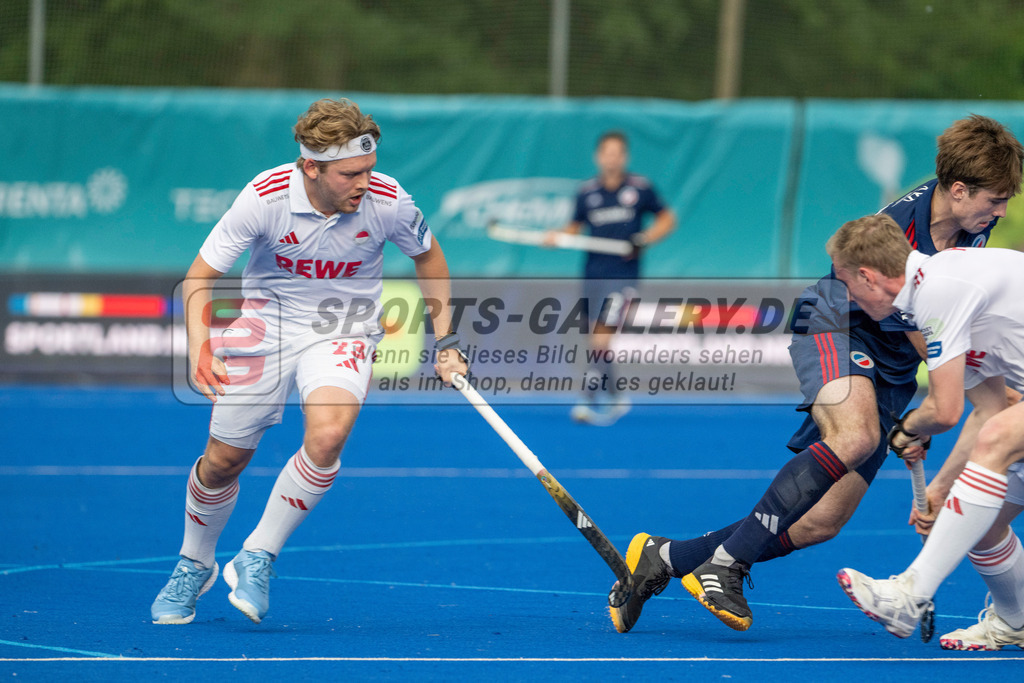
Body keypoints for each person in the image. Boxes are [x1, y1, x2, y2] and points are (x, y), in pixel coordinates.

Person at [608, 114, 1023, 634]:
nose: (1002, 211)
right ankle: (725, 566)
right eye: (995, 199)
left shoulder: (970, 228)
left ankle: (666, 557)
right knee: (857, 435)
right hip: (836, 325)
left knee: (821, 522)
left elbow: (942, 331)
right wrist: (940, 399)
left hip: (894, 364)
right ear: (958, 191)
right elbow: (927, 329)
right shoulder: (902, 231)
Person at [150, 98, 468, 625]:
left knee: (327, 436)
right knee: (224, 461)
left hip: (343, 327)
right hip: (265, 327)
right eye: (350, 174)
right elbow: (201, 276)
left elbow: (428, 256)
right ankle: (194, 561)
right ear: (311, 167)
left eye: (368, 169)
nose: (364, 182)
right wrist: (200, 345)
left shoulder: (390, 201)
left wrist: (446, 339)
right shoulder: (263, 198)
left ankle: (258, 555)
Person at [832, 215, 1024, 650]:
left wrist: (905, 429)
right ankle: (1016, 623)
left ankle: (909, 594)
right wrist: (940, 488)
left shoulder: (942, 287)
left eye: (847, 285)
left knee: (995, 447)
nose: (849, 299)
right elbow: (994, 409)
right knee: (978, 525)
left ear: (868, 275)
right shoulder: (931, 297)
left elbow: (944, 410)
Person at [546, 130, 675, 426]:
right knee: (596, 339)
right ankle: (617, 396)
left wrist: (645, 238)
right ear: (598, 157)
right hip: (593, 274)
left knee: (602, 337)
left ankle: (587, 400)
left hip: (623, 277)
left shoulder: (640, 189)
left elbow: (667, 219)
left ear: (625, 157)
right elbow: (575, 227)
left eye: (618, 153)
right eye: (607, 152)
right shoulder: (587, 192)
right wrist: (558, 237)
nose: (612, 158)